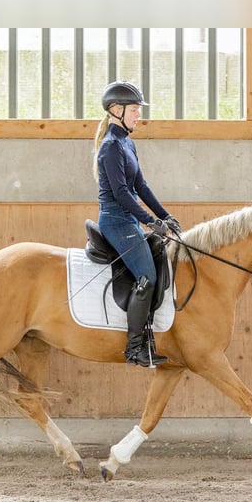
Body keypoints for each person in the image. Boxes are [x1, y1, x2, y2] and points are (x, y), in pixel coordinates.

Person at [92, 80, 181, 367]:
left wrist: (164, 215)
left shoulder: (127, 143)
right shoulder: (110, 147)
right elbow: (120, 193)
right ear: (116, 110)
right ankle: (134, 348)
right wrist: (150, 221)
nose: (138, 115)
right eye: (133, 110)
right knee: (148, 277)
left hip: (129, 220)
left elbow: (140, 186)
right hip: (116, 222)